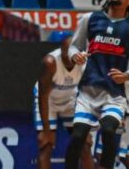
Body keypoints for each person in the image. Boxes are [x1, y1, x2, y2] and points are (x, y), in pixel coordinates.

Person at [65, 0, 129, 169]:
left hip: (115, 94)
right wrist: (74, 55)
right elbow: (74, 45)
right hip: (88, 91)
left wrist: (127, 75)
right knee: (78, 136)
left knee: (109, 130)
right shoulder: (90, 19)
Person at [35, 36, 93, 169]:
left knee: (85, 145)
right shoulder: (50, 62)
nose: (69, 56)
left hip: (71, 100)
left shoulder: (86, 64)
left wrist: (88, 127)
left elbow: (89, 94)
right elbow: (43, 95)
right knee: (46, 145)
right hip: (48, 101)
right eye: (65, 52)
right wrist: (46, 130)